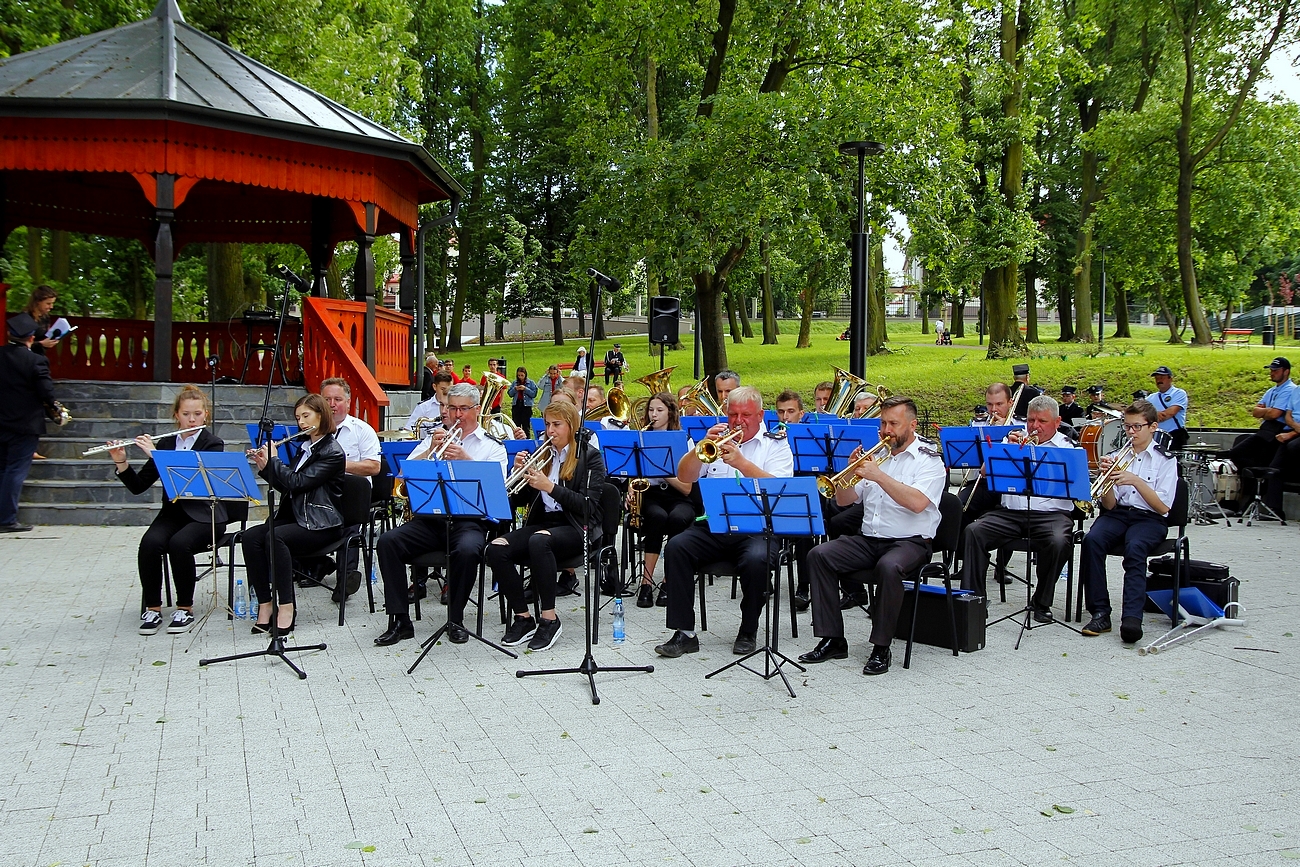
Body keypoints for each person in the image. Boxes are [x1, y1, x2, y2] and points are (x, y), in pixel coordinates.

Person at [797, 396, 945, 675]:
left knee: (889, 567)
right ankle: (833, 639)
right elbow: (845, 501)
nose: (886, 430)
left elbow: (917, 503)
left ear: (912, 425)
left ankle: (881, 647)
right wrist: (847, 473)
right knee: (819, 555)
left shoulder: (928, 460)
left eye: (894, 424)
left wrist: (879, 476)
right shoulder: (878, 455)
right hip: (870, 539)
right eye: (883, 423)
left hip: (911, 540)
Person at [653, 385, 794, 659]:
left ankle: (748, 628)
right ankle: (684, 633)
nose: (738, 421)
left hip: (759, 528)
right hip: (716, 525)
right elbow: (685, 476)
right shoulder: (716, 440)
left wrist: (741, 462)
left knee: (757, 560)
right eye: (733, 415)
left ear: (761, 414)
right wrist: (698, 450)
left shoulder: (777, 444)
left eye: (745, 415)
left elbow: (780, 489)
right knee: (676, 547)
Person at [374, 384, 508, 646]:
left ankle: (455, 618)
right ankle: (400, 620)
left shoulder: (492, 447)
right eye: (451, 408)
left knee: (469, 550)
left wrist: (465, 459)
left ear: (477, 410)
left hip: (471, 521)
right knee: (388, 542)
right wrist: (428, 451)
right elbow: (404, 477)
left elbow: (497, 488)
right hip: (431, 519)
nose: (456, 415)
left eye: (463, 409)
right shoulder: (433, 438)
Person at [488, 399, 606, 652]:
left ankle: (549, 619)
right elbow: (517, 500)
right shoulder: (542, 454)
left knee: (539, 540)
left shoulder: (590, 457)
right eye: (547, 424)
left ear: (571, 426)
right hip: (545, 524)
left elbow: (588, 506)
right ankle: (523, 616)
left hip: (577, 526)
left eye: (557, 425)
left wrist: (549, 486)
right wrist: (517, 470)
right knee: (496, 548)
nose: (550, 431)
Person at [108, 386, 227, 635]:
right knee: (150, 543)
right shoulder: (167, 442)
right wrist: (121, 460)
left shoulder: (212, 444)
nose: (192, 420)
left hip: (206, 513)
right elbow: (139, 486)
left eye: (197, 414)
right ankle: (152, 608)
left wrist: (157, 455)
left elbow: (194, 482)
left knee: (178, 544)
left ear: (206, 415)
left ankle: (185, 608)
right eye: (186, 414)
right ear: (177, 415)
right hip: (173, 513)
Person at [957, 395, 1080, 622]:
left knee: (1059, 541)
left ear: (1057, 421)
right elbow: (985, 472)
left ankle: (1041, 602)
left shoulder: (1068, 447)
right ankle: (974, 601)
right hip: (1010, 513)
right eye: (1031, 420)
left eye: (1042, 421)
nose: (1034, 426)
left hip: (1051, 515)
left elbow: (1079, 486)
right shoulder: (1013, 439)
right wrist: (1008, 449)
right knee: (973, 532)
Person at [242, 394, 346, 635]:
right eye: (298, 417)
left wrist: (275, 460)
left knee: (274, 537)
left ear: (321, 415)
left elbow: (298, 482)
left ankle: (287, 607)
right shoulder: (305, 447)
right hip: (299, 516)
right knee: (250, 538)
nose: (300, 422)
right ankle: (265, 605)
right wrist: (265, 467)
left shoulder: (332, 451)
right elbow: (288, 488)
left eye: (306, 416)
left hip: (322, 523)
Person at [1079, 399, 1177, 644]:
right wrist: (1106, 480)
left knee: (1135, 549)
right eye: (1127, 427)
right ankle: (1100, 612)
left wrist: (1136, 481)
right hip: (1118, 514)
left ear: (1152, 427)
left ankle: (1132, 618)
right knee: (1092, 540)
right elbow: (1110, 504)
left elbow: (1163, 507)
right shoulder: (1116, 456)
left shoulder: (1165, 460)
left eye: (1137, 427)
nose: (1131, 432)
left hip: (1150, 519)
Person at [631, 392, 697, 608]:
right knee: (657, 517)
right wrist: (630, 488)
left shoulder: (683, 440)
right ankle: (646, 583)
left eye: (659, 410)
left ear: (670, 412)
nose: (654, 414)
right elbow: (631, 471)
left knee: (678, 518)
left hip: (679, 496)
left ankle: (670, 582)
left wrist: (664, 469)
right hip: (651, 495)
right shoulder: (640, 439)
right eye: (651, 410)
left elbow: (687, 488)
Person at [0, 313, 55, 532]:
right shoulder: (35, 360)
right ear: (31, 338)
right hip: (25, 425)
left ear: (8, 335)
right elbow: (47, 392)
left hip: (1, 422)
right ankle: (6, 519)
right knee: (15, 470)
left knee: (3, 469)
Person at [1225, 357, 1293, 494]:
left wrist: (1266, 411)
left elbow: (1274, 414)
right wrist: (1267, 411)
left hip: (1276, 432)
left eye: (1276, 370)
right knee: (1242, 458)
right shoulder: (1271, 391)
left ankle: (1255, 493)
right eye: (1271, 370)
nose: (1272, 373)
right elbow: (1255, 412)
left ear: (1286, 372)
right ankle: (1252, 493)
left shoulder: (1290, 390)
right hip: (1265, 430)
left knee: (1235, 453)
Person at [1149, 366, 1189, 450]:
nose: (1159, 380)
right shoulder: (1150, 398)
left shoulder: (1179, 393)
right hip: (1155, 436)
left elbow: (1167, 414)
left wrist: (1149, 416)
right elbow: (1138, 412)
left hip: (1175, 436)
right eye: (1157, 378)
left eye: (1162, 377)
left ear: (1170, 379)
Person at [406, 371, 454, 437]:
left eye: (450, 389)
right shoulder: (423, 407)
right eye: (443, 389)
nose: (448, 392)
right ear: (434, 387)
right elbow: (409, 431)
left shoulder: (457, 407)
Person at [24, 285, 60, 356]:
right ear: (38, 302)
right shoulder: (26, 318)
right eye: (48, 303)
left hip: (40, 355)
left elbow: (44, 337)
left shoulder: (45, 317)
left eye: (52, 303)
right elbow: (19, 343)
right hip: (26, 357)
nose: (51, 307)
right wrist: (41, 343)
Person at [507, 366, 538, 432]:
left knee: (526, 426)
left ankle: (527, 439)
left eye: (522, 375)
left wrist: (525, 389)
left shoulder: (531, 383)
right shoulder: (514, 382)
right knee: (516, 424)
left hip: (526, 406)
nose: (520, 377)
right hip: (516, 404)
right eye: (519, 375)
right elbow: (510, 394)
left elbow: (533, 394)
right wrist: (515, 389)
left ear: (525, 375)